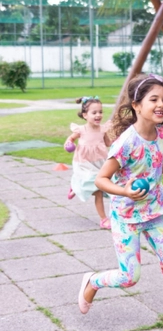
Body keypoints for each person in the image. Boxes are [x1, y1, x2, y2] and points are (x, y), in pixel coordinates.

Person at [78, 73, 163, 331]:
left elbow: (160, 165)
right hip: (126, 216)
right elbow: (101, 179)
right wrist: (126, 191)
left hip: (154, 212)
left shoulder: (161, 133)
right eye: (154, 99)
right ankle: (93, 281)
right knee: (129, 277)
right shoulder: (126, 143)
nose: (161, 104)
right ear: (137, 105)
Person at [64, 96, 112, 230]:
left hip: (100, 163)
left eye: (100, 112)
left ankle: (75, 186)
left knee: (102, 186)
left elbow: (108, 143)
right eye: (94, 112)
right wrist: (68, 144)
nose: (98, 115)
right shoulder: (81, 130)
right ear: (85, 115)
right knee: (97, 190)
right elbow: (70, 139)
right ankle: (103, 219)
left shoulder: (103, 129)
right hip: (84, 163)